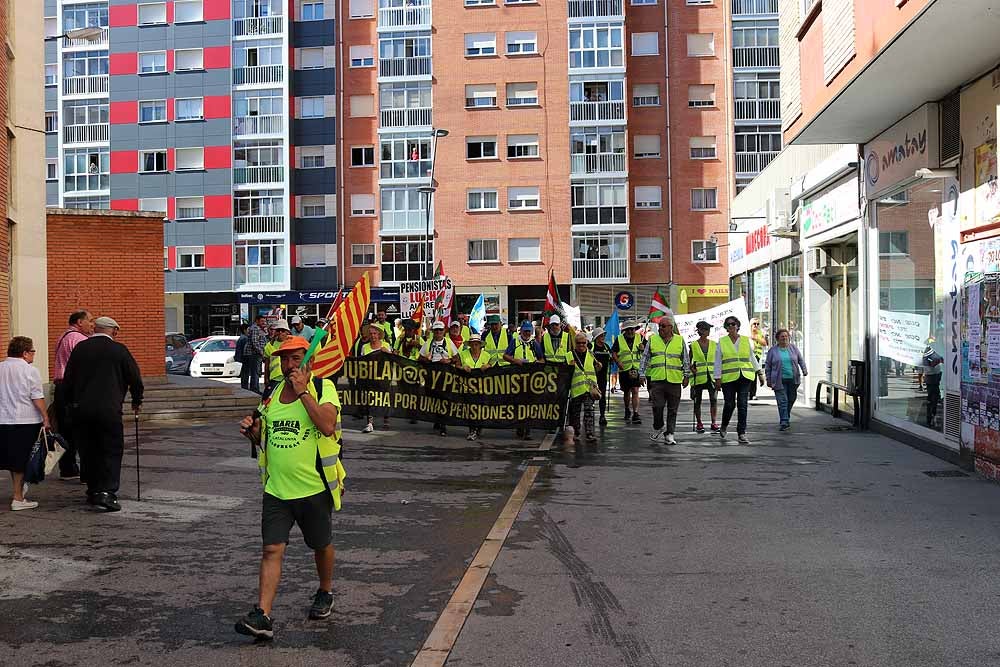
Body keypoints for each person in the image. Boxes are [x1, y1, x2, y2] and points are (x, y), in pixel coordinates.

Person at [235, 336, 347, 641]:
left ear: (308, 360)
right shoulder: (270, 393)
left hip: (314, 488)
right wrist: (252, 431)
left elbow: (326, 425)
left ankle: (325, 591)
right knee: (271, 548)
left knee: (320, 545)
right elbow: (264, 437)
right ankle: (263, 615)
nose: (289, 365)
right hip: (277, 490)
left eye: (296, 358)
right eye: (284, 359)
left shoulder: (324, 388)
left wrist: (303, 393)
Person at [62, 317, 143, 512]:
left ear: (95, 329)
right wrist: (136, 400)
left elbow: (68, 380)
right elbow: (135, 378)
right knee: (110, 450)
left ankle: (92, 489)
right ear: (114, 331)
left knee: (88, 450)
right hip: (109, 409)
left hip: (82, 410)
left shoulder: (80, 349)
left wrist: (68, 406)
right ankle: (106, 492)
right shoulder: (119, 350)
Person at [0, 337, 49, 511]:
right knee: (21, 460)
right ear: (25, 353)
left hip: (2, 420)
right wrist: (46, 417)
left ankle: (19, 490)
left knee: (8, 458)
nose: (34, 354)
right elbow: (36, 396)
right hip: (25, 420)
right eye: (33, 351)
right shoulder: (30, 371)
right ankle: (18, 497)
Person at [52, 309, 94, 480]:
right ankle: (84, 471)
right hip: (73, 388)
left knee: (65, 429)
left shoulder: (63, 337)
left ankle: (67, 468)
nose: (92, 324)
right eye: (90, 320)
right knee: (81, 430)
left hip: (61, 387)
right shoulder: (79, 339)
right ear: (79, 322)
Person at [714, 316, 764, 444]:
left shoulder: (745, 340)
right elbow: (718, 361)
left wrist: (759, 373)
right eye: (729, 325)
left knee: (743, 404)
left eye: (733, 324)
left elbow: (752, 357)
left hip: (745, 376)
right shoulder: (722, 341)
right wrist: (717, 378)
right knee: (730, 404)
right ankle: (724, 425)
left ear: (737, 326)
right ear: (726, 327)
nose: (731, 326)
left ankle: (741, 432)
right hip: (729, 378)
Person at [639, 317, 689, 445]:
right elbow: (645, 357)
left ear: (671, 328)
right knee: (657, 406)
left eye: (663, 326)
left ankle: (670, 433)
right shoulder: (653, 339)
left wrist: (686, 375)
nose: (660, 328)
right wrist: (641, 373)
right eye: (660, 326)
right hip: (657, 379)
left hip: (674, 379)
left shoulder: (679, 340)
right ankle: (659, 426)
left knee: (673, 409)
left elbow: (685, 359)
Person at [420, 321, 461, 436]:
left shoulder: (448, 342)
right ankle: (437, 419)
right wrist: (427, 359)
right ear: (433, 331)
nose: (438, 332)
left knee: (444, 398)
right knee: (433, 398)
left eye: (440, 330)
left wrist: (448, 360)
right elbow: (420, 358)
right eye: (436, 330)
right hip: (432, 374)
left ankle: (443, 423)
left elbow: (456, 358)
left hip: (445, 373)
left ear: (444, 331)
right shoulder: (428, 343)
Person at [764, 329, 808, 432]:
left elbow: (800, 360)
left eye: (786, 336)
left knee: (791, 399)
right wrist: (768, 379)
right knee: (783, 401)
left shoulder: (793, 348)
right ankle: (784, 421)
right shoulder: (773, 351)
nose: (784, 338)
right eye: (782, 337)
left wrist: (804, 370)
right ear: (777, 339)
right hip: (778, 380)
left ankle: (786, 415)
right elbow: (768, 366)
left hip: (793, 379)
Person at [504, 322, 542, 440]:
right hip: (517, 377)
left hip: (531, 377)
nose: (527, 333)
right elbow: (505, 356)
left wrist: (536, 363)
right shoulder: (515, 341)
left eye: (528, 331)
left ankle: (528, 429)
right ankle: (520, 426)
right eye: (525, 331)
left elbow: (542, 359)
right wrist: (516, 361)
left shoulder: (534, 343)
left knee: (529, 403)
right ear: (521, 331)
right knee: (518, 403)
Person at [567, 332, 600, 444]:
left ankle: (589, 433)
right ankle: (576, 432)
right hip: (576, 389)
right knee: (575, 412)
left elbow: (595, 368)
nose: (581, 345)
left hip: (589, 389)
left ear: (587, 343)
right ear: (575, 343)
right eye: (579, 343)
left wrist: (599, 366)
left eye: (583, 343)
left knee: (589, 410)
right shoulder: (569, 355)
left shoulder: (591, 354)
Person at [460, 334, 493, 441]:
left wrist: (488, 366)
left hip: (482, 386)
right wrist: (462, 367)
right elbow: (456, 365)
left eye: (476, 344)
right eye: (472, 344)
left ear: (480, 345)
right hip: (468, 386)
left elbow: (492, 366)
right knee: (470, 408)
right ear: (469, 345)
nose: (474, 346)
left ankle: (479, 427)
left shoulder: (487, 355)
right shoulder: (463, 354)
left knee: (481, 407)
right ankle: (472, 430)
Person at [611, 320, 644, 425]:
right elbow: (614, 352)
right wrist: (618, 362)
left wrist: (643, 348)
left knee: (635, 390)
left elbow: (648, 351)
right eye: (628, 329)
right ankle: (626, 409)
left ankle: (636, 413)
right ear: (625, 330)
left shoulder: (640, 338)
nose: (630, 331)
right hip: (624, 369)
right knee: (626, 391)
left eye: (632, 329)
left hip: (636, 368)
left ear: (635, 329)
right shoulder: (619, 339)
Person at [689, 321, 719, 434]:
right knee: (697, 401)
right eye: (706, 329)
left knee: (714, 400)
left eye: (708, 329)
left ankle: (714, 422)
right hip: (699, 377)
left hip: (711, 377)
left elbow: (718, 361)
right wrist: (692, 368)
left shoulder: (714, 344)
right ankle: (699, 423)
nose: (708, 331)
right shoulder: (693, 345)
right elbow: (689, 362)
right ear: (700, 330)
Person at [361, 327, 392, 433]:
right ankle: (370, 423)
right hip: (370, 377)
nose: (373, 336)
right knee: (370, 399)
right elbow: (361, 362)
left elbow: (392, 359)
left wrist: (387, 352)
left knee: (385, 398)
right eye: (371, 333)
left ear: (379, 335)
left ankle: (386, 420)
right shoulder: (365, 347)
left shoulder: (386, 345)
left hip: (383, 377)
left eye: (375, 333)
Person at [263, 320, 292, 394]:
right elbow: (267, 364)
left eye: (282, 330)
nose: (280, 333)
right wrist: (266, 379)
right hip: (274, 378)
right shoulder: (269, 346)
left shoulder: (292, 344)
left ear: (287, 332)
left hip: (289, 378)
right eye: (278, 330)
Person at [591, 328, 611, 426]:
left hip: (603, 376)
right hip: (593, 375)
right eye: (601, 335)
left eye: (603, 335)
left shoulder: (606, 347)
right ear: (596, 337)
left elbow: (611, 356)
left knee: (602, 396)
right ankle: (590, 415)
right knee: (591, 395)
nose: (603, 337)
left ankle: (602, 416)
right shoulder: (591, 346)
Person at [923, 337, 944, 429]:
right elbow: (930, 363)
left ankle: (931, 417)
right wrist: (940, 360)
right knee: (932, 398)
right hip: (931, 376)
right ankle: (931, 418)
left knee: (934, 397)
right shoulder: (928, 350)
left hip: (935, 375)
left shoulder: (933, 349)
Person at [246, 315, 269, 394]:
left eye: (264, 321)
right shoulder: (255, 328)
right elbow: (255, 342)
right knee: (255, 372)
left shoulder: (259, 329)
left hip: (257, 353)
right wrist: (261, 352)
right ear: (257, 321)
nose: (264, 323)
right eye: (262, 321)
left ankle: (255, 388)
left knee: (256, 371)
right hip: (254, 353)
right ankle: (255, 389)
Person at [748, 318, 768, 400]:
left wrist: (756, 338)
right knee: (748, 375)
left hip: (756, 356)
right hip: (748, 356)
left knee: (754, 375)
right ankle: (747, 392)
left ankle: (753, 394)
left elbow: (764, 343)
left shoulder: (760, 333)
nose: (756, 326)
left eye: (757, 324)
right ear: (750, 325)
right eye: (754, 324)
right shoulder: (746, 332)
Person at [236, 323, 252, 391]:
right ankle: (244, 387)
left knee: (244, 372)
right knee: (245, 373)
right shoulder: (245, 338)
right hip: (245, 357)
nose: (249, 331)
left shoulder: (242, 337)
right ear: (245, 330)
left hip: (242, 357)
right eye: (248, 329)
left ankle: (244, 386)